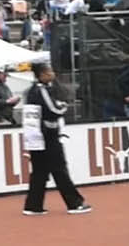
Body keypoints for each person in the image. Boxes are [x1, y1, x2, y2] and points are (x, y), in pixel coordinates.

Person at [21, 61, 92, 216]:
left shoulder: (35, 90)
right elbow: (54, 109)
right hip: (47, 135)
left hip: (37, 135)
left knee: (39, 171)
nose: (52, 74)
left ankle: (33, 205)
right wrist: (63, 106)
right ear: (42, 75)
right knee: (59, 169)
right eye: (49, 72)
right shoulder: (41, 90)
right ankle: (74, 203)